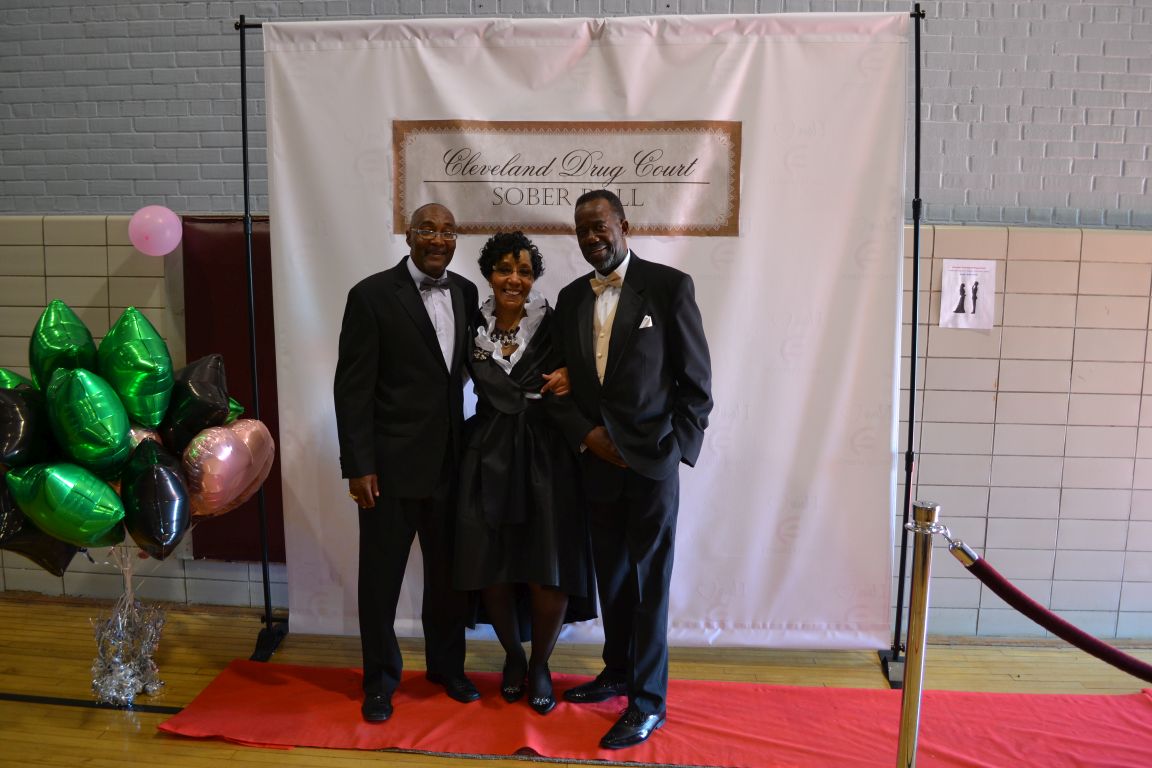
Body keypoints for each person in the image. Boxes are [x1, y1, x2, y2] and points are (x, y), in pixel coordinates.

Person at [552, 190, 713, 749]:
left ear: (624, 225)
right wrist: (586, 436)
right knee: (614, 579)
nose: (591, 237)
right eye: (582, 230)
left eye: (599, 226)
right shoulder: (571, 297)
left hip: (651, 465)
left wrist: (675, 451)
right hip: (596, 464)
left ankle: (647, 702)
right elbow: (557, 385)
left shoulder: (669, 287)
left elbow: (696, 384)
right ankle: (617, 671)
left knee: (649, 585)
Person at [334, 202, 480, 723]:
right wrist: (358, 464)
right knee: (380, 582)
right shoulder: (371, 295)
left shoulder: (466, 292)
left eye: (448, 231)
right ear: (409, 236)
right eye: (428, 230)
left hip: (451, 466)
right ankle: (379, 682)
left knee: (448, 581)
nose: (439, 239)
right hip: (388, 470)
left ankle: (447, 668)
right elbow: (352, 389)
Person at [454, 231, 596, 715]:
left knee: (547, 567)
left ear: (534, 278)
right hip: (487, 454)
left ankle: (540, 663)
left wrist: (575, 374)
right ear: (488, 274)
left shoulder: (557, 323)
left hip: (547, 456)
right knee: (491, 565)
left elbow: (596, 364)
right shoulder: (468, 325)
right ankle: (513, 655)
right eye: (504, 270)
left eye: (524, 271)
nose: (514, 280)